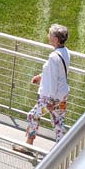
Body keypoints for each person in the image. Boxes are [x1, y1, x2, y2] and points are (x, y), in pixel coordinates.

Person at [16, 24, 71, 153]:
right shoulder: (65, 52)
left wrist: (51, 101)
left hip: (48, 97)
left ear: (56, 39)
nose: (48, 36)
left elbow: (52, 79)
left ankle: (28, 145)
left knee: (32, 116)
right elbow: (58, 73)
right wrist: (40, 77)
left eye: (50, 34)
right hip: (62, 95)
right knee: (58, 123)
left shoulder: (53, 57)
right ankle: (61, 151)